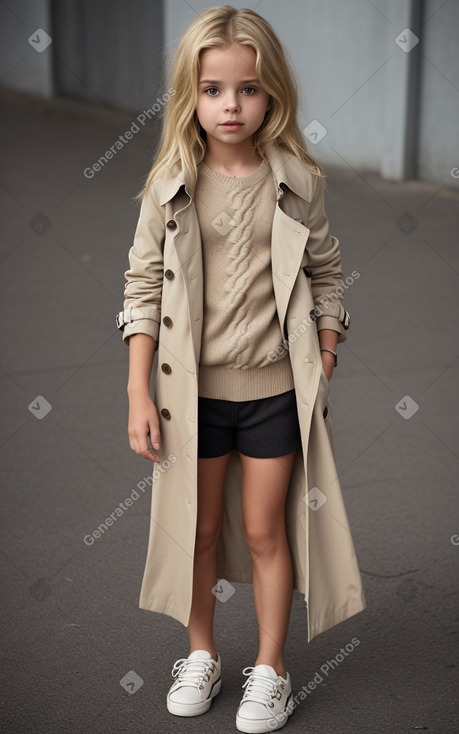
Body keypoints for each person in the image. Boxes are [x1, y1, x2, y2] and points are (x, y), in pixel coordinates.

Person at [116, 5, 365, 732]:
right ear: (190, 96)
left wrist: (322, 352)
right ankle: (200, 652)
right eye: (215, 89)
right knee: (193, 532)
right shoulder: (170, 182)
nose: (232, 105)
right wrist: (137, 391)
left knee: (265, 533)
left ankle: (270, 668)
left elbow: (326, 274)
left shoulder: (297, 180)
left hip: (274, 395)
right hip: (187, 398)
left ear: (271, 94)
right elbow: (141, 289)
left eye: (248, 89)